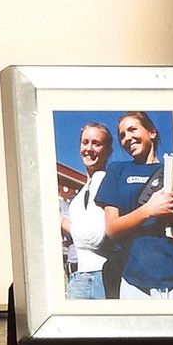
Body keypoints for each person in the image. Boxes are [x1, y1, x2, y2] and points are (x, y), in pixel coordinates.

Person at [97, 110, 173, 301]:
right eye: (122, 135)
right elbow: (112, 229)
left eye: (132, 130)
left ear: (152, 132)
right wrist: (149, 210)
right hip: (135, 281)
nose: (127, 138)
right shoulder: (117, 170)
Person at [59, 121, 115, 301]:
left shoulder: (105, 181)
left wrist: (62, 222)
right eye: (85, 142)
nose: (89, 148)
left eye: (96, 143)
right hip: (80, 276)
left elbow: (94, 238)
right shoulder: (82, 192)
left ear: (108, 151)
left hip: (98, 278)